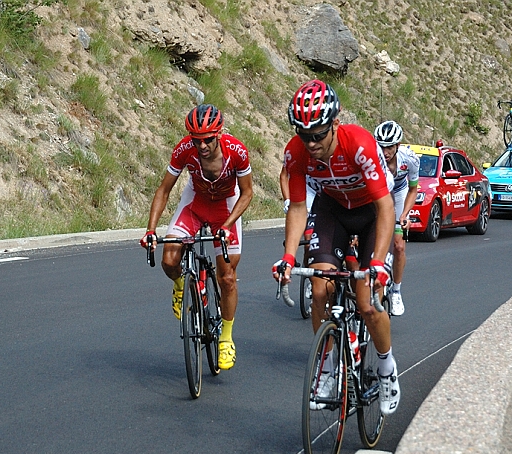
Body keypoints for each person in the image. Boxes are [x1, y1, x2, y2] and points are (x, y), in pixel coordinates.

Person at [273, 79, 400, 415]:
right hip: (333, 210)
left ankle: (386, 368)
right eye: (304, 134)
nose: (311, 142)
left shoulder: (358, 144)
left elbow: (386, 207)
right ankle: (328, 366)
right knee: (318, 290)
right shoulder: (296, 152)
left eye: (318, 134)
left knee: (368, 305)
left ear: (334, 124)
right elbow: (298, 207)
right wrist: (288, 255)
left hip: (371, 212)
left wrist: (378, 265)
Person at [141, 104, 253, 371]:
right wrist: (150, 229)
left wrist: (227, 225)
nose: (201, 146)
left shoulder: (236, 151)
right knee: (169, 259)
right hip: (196, 203)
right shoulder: (184, 150)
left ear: (219, 134)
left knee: (226, 277)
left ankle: (226, 338)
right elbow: (164, 189)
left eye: (207, 140)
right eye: (196, 140)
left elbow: (247, 193)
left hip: (226, 207)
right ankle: (182, 286)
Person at [373, 120, 419, 317]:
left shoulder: (409, 159)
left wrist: (404, 214)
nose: (385, 152)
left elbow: (413, 188)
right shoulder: (371, 157)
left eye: (389, 147)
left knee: (399, 245)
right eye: (381, 146)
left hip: (399, 192)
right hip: (379, 193)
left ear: (397, 145)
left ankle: (396, 291)